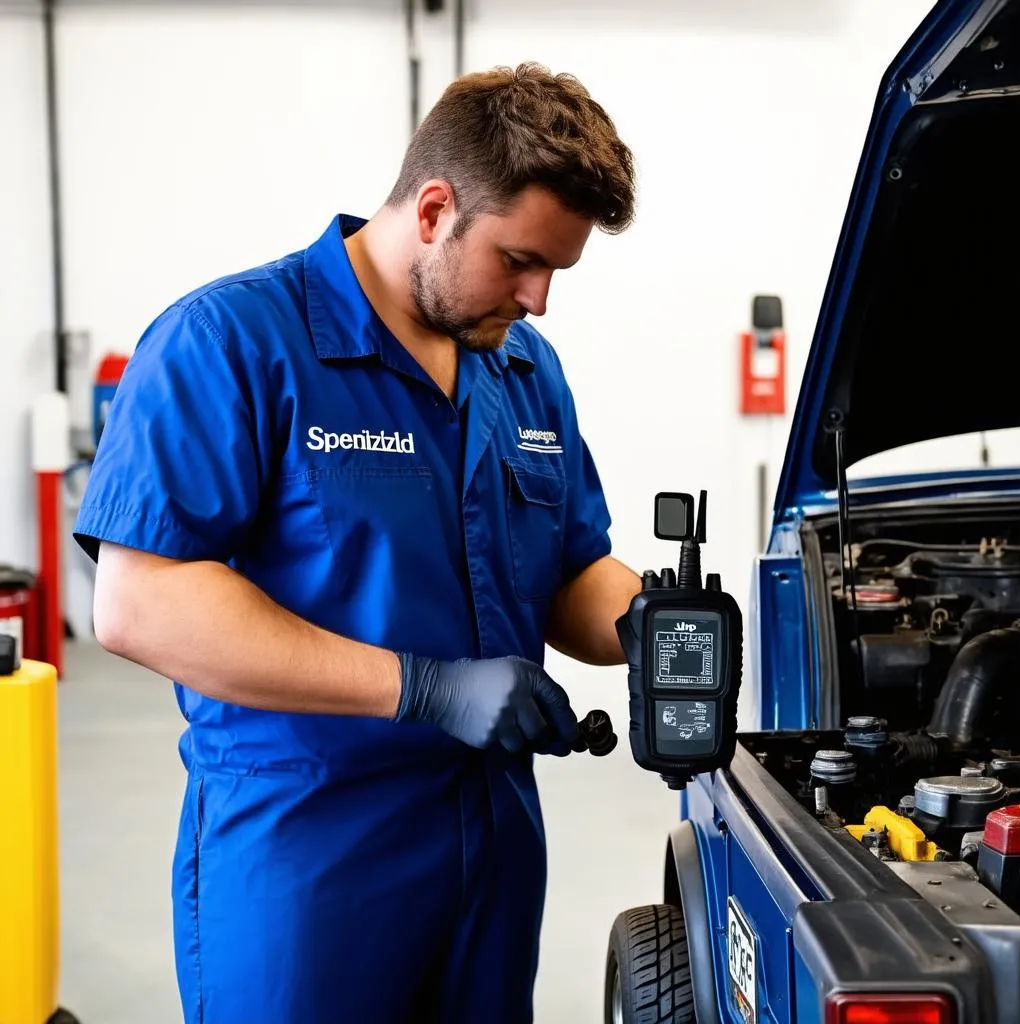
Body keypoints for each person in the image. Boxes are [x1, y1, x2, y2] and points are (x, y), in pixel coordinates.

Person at [74, 61, 641, 1023]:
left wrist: (662, 623)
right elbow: (139, 604)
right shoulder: (231, 342)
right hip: (308, 858)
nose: (540, 299)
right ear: (432, 210)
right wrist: (423, 688)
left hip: (491, 856)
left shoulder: (523, 370)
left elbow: (572, 570)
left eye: (557, 270)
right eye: (519, 261)